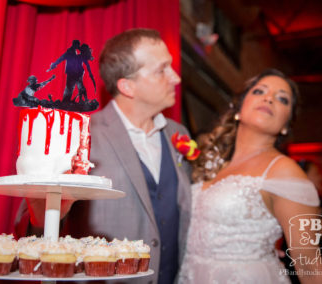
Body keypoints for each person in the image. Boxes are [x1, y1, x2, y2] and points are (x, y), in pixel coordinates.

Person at [15, 28, 192, 284]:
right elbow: (29, 228)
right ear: (127, 86)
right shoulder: (80, 135)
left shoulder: (178, 133)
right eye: (161, 69)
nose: (175, 77)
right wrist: (46, 212)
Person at [177, 69, 322, 283]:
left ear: (285, 125)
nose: (268, 98)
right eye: (260, 91)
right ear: (239, 108)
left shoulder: (284, 172)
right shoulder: (214, 163)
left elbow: (308, 261)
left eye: (282, 99)